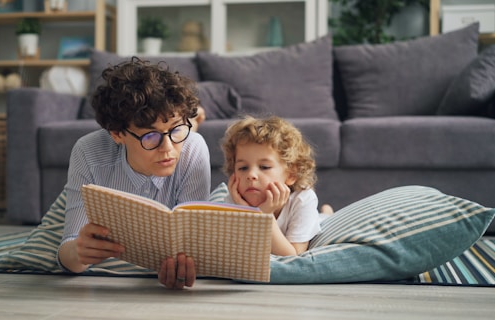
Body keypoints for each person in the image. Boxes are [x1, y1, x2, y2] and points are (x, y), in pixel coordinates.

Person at [57, 57, 211, 289]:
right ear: (117, 134)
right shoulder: (88, 151)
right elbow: (70, 250)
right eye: (151, 136)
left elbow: (193, 243)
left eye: (177, 129)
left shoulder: (192, 146)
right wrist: (79, 254)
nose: (168, 149)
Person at [221, 116, 332, 256]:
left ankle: (327, 213)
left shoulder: (303, 200)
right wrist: (248, 213)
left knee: (323, 220)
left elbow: (292, 255)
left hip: (313, 221)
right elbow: (235, 250)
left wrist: (264, 216)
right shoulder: (234, 200)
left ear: (291, 174)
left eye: (264, 167)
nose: (251, 175)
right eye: (243, 168)